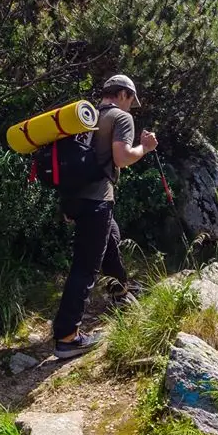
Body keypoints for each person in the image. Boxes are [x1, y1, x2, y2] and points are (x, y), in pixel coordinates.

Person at [52, 74, 158, 359]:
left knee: (110, 239)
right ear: (122, 94)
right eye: (131, 100)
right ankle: (67, 337)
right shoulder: (120, 118)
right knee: (85, 266)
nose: (131, 107)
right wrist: (145, 148)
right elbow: (122, 158)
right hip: (97, 199)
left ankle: (120, 292)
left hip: (74, 198)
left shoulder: (85, 116)